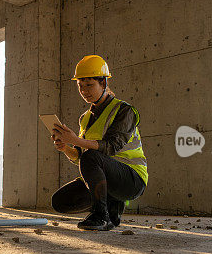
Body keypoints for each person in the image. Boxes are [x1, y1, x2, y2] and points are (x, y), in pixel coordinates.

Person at [50, 55, 147, 231]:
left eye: (89, 85)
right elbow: (80, 157)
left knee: (91, 157)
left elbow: (111, 146)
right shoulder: (85, 118)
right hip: (105, 174)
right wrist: (65, 147)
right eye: (80, 86)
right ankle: (111, 208)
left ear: (103, 83)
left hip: (132, 179)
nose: (84, 91)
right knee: (60, 202)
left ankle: (101, 215)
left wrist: (76, 140)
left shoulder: (124, 110)